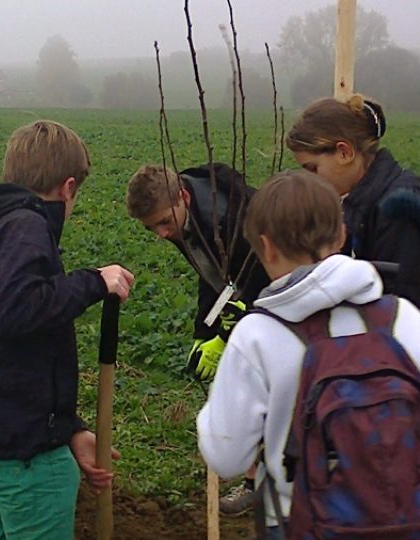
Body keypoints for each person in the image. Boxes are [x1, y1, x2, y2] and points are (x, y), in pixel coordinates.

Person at [197, 170, 420, 536]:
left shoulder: (257, 337)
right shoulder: (405, 318)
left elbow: (226, 457)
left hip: (301, 521)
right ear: (342, 234)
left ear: (266, 246)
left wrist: (212, 414)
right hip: (409, 519)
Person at [0, 119, 134, 539]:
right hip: (21, 453)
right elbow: (12, 312)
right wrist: (93, 282)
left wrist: (67, 428)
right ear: (67, 187)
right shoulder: (25, 227)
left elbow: (9, 354)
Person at [286, 94, 420, 456]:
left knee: (412, 497)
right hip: (408, 379)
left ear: (344, 152)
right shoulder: (362, 203)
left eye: (312, 169)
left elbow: (402, 313)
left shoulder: (400, 212)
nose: (310, 181)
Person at [126, 162, 270, 515]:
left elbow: (257, 272)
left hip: (271, 286)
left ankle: (268, 482)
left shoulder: (231, 217)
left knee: (262, 385)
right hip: (243, 291)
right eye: (151, 228)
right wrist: (203, 334)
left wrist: (230, 331)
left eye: (163, 222)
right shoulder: (186, 218)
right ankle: (258, 479)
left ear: (183, 197)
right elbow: (210, 275)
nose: (161, 233)